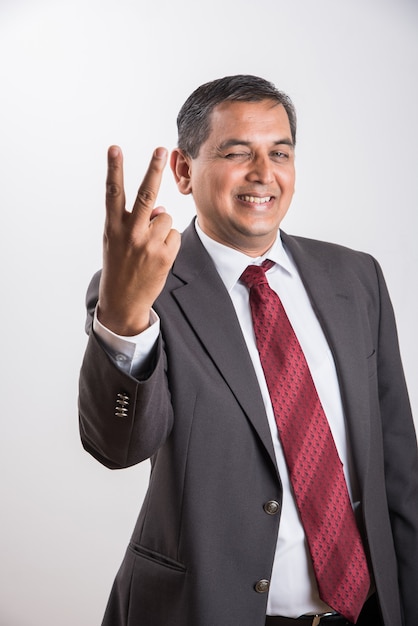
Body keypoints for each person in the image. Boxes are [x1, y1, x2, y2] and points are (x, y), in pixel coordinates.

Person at [78, 75, 418, 626]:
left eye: (279, 153)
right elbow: (118, 447)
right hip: (208, 610)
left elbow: (397, 462)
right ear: (185, 172)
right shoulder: (141, 287)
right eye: (238, 153)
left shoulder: (355, 277)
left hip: (365, 612)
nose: (264, 174)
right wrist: (123, 317)